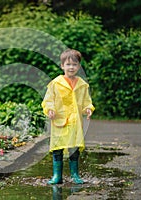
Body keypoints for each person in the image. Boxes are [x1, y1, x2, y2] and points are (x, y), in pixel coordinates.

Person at [41, 48, 95, 184]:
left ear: (79, 66)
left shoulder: (82, 85)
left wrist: (88, 108)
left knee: (74, 149)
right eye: (68, 64)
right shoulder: (55, 83)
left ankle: (75, 175)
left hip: (75, 122)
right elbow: (48, 100)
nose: (71, 67)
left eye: (74, 64)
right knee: (57, 149)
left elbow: (86, 101)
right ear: (62, 66)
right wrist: (50, 109)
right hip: (59, 121)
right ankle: (57, 176)